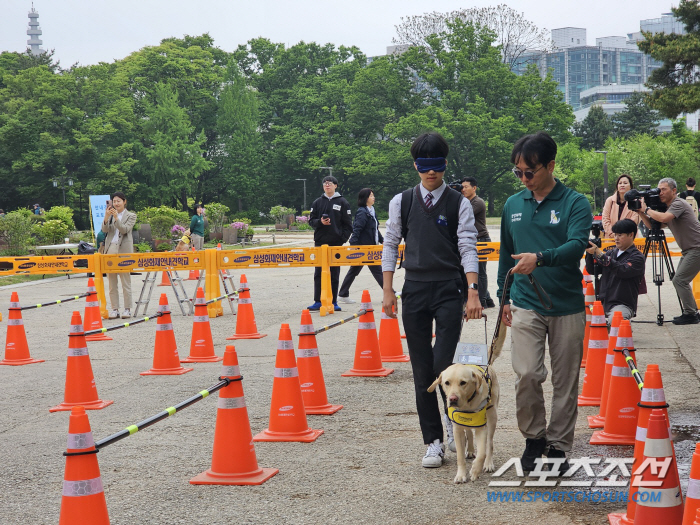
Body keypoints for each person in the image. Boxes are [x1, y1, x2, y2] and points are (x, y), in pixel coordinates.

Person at [381, 132, 482, 469]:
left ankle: (457, 426)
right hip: (415, 289)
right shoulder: (402, 201)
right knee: (422, 369)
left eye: (436, 166)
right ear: (416, 166)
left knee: (444, 366)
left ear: (445, 165)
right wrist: (387, 289)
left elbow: (468, 245)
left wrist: (472, 290)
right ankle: (434, 441)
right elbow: (391, 243)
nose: (431, 173)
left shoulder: (459, 202)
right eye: (424, 167)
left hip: (449, 289)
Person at [497, 131, 591, 475]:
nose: (524, 179)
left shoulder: (575, 202)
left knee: (565, 381)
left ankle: (558, 445)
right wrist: (503, 297)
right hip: (525, 302)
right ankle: (534, 438)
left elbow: (577, 245)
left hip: (566, 305)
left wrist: (541, 257)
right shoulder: (512, 205)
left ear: (551, 165)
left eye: (530, 172)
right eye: (518, 172)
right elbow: (505, 252)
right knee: (526, 373)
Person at [634, 177, 700, 325]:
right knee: (680, 280)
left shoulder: (678, 203)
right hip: (689, 249)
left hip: (696, 248)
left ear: (674, 190)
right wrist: (640, 212)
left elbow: (664, 217)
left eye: (663, 189)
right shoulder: (669, 207)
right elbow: (654, 226)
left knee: (679, 280)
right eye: (659, 190)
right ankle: (692, 311)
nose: (660, 193)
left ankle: (690, 314)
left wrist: (647, 209)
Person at [585, 219, 646, 324]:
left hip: (622, 304)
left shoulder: (637, 257)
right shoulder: (611, 253)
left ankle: (623, 329)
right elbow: (592, 270)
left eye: (620, 235)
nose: (616, 239)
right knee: (577, 315)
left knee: (616, 321)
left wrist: (599, 253)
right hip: (603, 302)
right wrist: (590, 253)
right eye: (615, 235)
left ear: (631, 235)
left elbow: (622, 270)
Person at [307, 175, 353, 312]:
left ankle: (333, 301)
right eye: (325, 183)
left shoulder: (343, 202)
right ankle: (318, 301)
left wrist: (341, 239)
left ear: (335, 186)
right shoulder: (317, 202)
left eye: (330, 183)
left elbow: (348, 224)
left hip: (335, 243)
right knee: (319, 272)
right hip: (320, 242)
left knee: (334, 272)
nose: (327, 185)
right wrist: (320, 222)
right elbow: (311, 221)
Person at [337, 188, 384, 303]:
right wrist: (354, 245)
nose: (374, 197)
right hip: (364, 248)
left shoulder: (371, 211)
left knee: (354, 270)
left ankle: (343, 294)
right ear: (366, 198)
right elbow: (357, 229)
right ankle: (390, 292)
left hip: (371, 246)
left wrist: (383, 241)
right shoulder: (362, 212)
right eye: (371, 195)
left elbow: (375, 230)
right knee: (377, 270)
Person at [461, 177, 496, 308]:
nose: (463, 189)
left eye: (466, 187)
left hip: (481, 239)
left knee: (480, 272)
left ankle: (481, 301)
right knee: (472, 270)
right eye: (462, 187)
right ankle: (488, 299)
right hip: (473, 240)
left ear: (474, 188)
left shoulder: (477, 202)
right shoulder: (465, 201)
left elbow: (463, 215)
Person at [101, 192, 137, 319]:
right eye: (114, 201)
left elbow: (125, 230)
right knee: (112, 282)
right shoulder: (110, 215)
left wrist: (116, 218)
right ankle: (114, 309)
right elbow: (104, 230)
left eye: (118, 201)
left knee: (125, 281)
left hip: (124, 250)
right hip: (111, 248)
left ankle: (127, 309)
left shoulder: (131, 216)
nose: (116, 203)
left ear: (124, 201)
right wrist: (106, 217)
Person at [601, 174, 641, 239]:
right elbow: (605, 219)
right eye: (620, 183)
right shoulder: (609, 200)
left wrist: (621, 236)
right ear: (617, 186)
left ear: (630, 186)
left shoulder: (636, 202)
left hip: (628, 239)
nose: (622, 185)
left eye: (625, 183)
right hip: (610, 239)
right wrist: (614, 234)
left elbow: (634, 221)